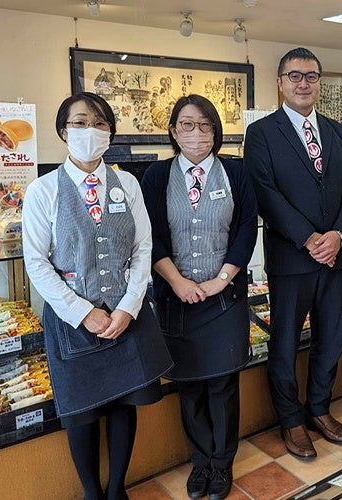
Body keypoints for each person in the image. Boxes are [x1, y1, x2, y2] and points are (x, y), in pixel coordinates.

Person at [23, 92, 173, 500]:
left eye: (100, 123)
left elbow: (143, 247)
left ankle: (117, 488)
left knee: (124, 403)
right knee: (81, 412)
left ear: (110, 133)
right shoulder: (43, 191)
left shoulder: (127, 184)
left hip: (125, 313)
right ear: (63, 131)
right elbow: (36, 262)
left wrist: (128, 306)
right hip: (72, 319)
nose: (90, 130)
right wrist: (82, 312)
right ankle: (91, 492)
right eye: (80, 122)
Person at [244, 47, 342, 459]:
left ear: (319, 83)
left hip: (335, 256)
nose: (303, 83)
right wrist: (310, 239)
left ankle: (319, 408)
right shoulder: (261, 134)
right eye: (294, 76)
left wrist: (339, 235)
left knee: (332, 336)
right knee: (285, 341)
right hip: (292, 258)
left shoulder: (336, 132)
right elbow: (265, 193)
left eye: (311, 76)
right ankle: (291, 419)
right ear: (280, 82)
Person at [141, 95, 258, 499]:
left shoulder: (235, 173)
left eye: (205, 125)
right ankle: (200, 461)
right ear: (174, 131)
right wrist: (176, 281)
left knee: (223, 384)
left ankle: (222, 464)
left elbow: (246, 229)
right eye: (187, 125)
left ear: (216, 131)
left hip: (224, 297)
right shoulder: (156, 176)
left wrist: (223, 278)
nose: (196, 133)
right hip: (176, 297)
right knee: (189, 384)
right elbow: (149, 236)